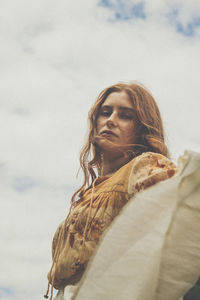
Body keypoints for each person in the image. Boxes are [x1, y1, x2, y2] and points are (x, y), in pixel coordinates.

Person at [44, 82, 177, 300]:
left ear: (142, 128)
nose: (111, 120)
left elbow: (181, 221)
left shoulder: (145, 166)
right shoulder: (87, 195)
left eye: (125, 116)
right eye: (105, 112)